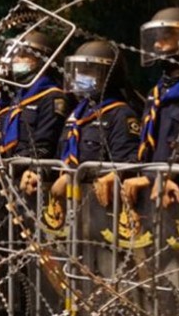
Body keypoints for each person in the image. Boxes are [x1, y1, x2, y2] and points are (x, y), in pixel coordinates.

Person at [122, 7, 179, 207]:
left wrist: (157, 176)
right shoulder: (156, 93)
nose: (156, 44)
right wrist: (120, 173)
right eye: (156, 38)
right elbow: (146, 147)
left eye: (166, 37)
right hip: (150, 194)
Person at [50, 40, 140, 202]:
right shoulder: (77, 114)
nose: (80, 77)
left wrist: (76, 176)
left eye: (88, 72)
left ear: (109, 76)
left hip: (100, 203)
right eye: (78, 71)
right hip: (69, 202)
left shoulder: (120, 114)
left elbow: (126, 164)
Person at [0, 31, 69, 195]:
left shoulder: (52, 97)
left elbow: (45, 145)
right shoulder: (20, 96)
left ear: (42, 60)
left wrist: (32, 169)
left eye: (23, 56)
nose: (16, 60)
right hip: (11, 175)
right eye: (15, 56)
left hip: (32, 179)